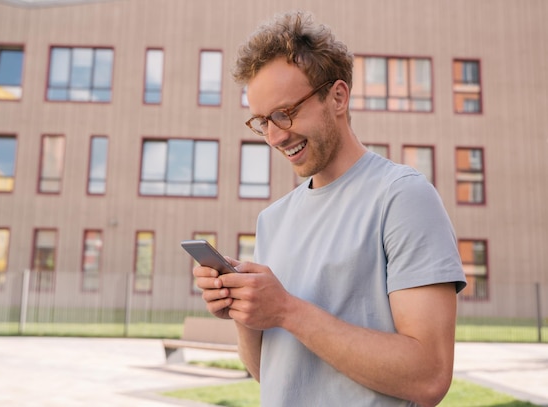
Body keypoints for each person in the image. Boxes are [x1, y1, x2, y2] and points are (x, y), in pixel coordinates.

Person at [194, 10, 466, 407]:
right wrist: (246, 311)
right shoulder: (272, 219)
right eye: (262, 121)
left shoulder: (402, 197)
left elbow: (429, 376)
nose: (274, 136)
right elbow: (269, 374)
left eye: (285, 113)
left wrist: (286, 310)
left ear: (337, 96)